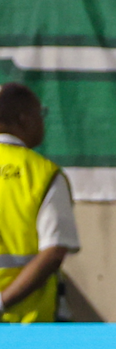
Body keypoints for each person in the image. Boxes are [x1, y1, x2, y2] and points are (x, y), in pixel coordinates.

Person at [0, 83, 81, 322]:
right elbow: (53, 253)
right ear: (24, 119)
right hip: (30, 325)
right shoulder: (43, 174)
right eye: (41, 113)